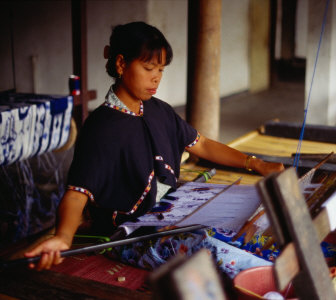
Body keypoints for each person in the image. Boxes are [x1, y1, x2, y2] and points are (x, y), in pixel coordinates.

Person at [25, 21, 284, 271]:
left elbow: (201, 144)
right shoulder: (102, 127)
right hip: (130, 235)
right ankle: (278, 275)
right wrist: (63, 237)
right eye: (149, 68)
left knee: (248, 226)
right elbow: (77, 192)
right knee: (212, 251)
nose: (156, 78)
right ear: (121, 63)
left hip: (170, 214)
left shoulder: (158, 110)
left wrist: (256, 164)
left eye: (161, 70)